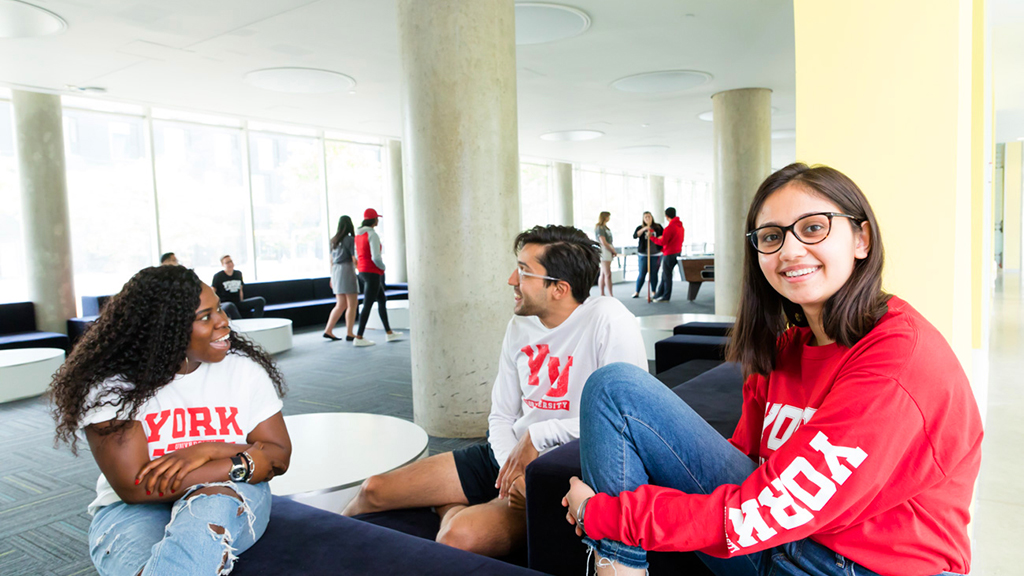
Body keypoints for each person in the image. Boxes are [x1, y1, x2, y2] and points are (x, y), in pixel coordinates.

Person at [562, 163, 983, 576]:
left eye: (814, 228)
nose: (790, 250)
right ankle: (617, 567)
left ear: (862, 238)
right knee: (613, 389)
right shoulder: (784, 348)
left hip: (862, 565)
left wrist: (600, 515)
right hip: (780, 543)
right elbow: (744, 464)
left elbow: (765, 509)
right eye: (771, 237)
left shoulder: (897, 357)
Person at [342, 225, 648, 559]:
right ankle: (326, 549)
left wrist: (539, 436)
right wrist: (511, 469)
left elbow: (631, 417)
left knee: (457, 537)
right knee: (373, 490)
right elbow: (501, 414)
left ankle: (451, 508)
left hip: (563, 471)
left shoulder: (609, 319)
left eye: (523, 271)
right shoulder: (520, 324)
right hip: (508, 458)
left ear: (559, 288)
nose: (511, 280)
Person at [49, 265, 292, 576]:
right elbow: (135, 488)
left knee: (211, 506)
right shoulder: (111, 387)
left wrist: (208, 449)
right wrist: (239, 461)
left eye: (218, 308)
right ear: (165, 328)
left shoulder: (242, 370)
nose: (223, 321)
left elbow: (279, 456)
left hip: (228, 493)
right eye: (205, 316)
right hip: (133, 510)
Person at [353, 208, 402, 347]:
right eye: (377, 218)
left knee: (381, 299)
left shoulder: (358, 235)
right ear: (374, 220)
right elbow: (376, 256)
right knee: (368, 304)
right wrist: (383, 267)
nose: (378, 221)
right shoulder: (372, 235)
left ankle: (389, 332)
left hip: (362, 271)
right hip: (372, 271)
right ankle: (359, 336)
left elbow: (357, 256)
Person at [323, 215, 360, 341]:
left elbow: (331, 260)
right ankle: (350, 332)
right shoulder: (350, 239)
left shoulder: (333, 240)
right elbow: (354, 258)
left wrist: (332, 277)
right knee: (352, 304)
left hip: (336, 272)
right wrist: (360, 269)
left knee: (340, 304)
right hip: (347, 270)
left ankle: (328, 330)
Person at [212, 255, 266, 320]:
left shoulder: (238, 274)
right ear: (223, 265)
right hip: (225, 304)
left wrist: (242, 301)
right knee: (230, 305)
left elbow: (240, 289)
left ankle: (256, 321)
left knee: (260, 300)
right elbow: (213, 292)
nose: (230, 264)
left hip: (237, 302)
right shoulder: (218, 276)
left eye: (231, 261)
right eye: (227, 262)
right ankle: (241, 325)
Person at [650, 206, 684, 302]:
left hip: (669, 254)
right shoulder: (680, 226)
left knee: (667, 275)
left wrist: (652, 238)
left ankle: (666, 297)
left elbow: (663, 242)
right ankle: (658, 294)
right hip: (677, 252)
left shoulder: (670, 227)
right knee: (665, 275)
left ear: (666, 216)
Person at [631, 211, 663, 299]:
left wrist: (654, 236)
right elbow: (635, 236)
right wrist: (645, 229)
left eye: (649, 217)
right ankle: (637, 291)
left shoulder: (658, 227)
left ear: (652, 217)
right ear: (643, 219)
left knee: (654, 273)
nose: (647, 218)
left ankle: (653, 291)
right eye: (645, 217)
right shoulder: (640, 227)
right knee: (642, 273)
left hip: (655, 254)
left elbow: (663, 236)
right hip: (643, 254)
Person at [594, 212, 618, 297]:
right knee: (607, 273)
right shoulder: (600, 228)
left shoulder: (606, 228)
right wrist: (612, 250)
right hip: (604, 250)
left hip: (608, 249)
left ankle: (603, 293)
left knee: (604, 273)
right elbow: (603, 242)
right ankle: (610, 294)